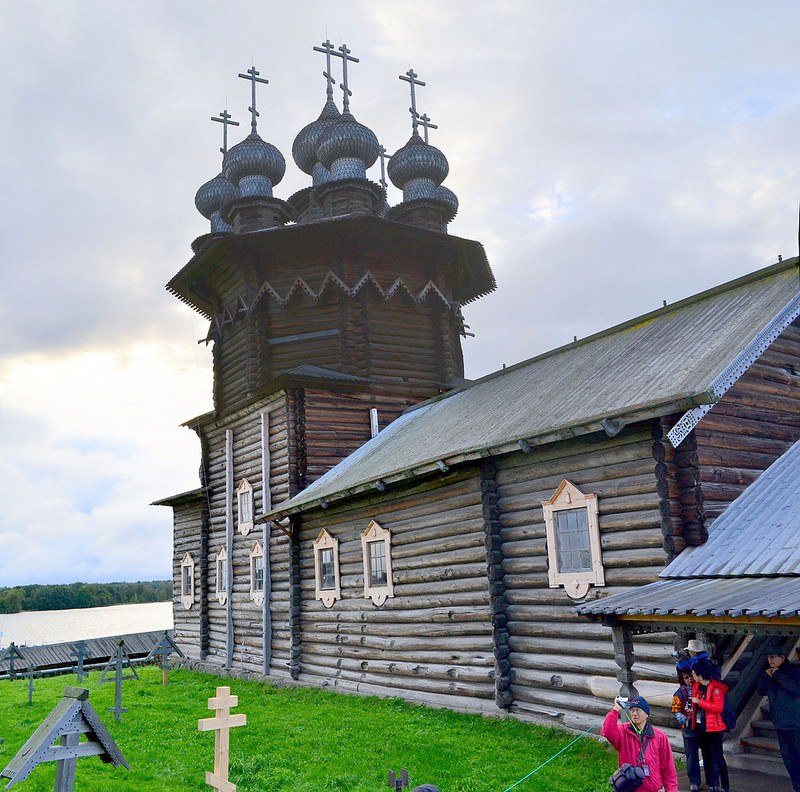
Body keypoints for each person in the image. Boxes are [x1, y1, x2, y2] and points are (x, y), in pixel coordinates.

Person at [602, 695, 678, 792]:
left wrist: (671, 789)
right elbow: (607, 732)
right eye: (632, 710)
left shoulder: (659, 736)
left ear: (647, 714)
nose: (634, 714)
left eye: (638, 710)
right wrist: (615, 710)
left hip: (651, 789)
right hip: (629, 788)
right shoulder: (623, 731)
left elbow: (668, 768)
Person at [756, 643, 800, 792]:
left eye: (773, 657)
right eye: (769, 657)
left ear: (782, 658)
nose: (771, 660)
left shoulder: (794, 671)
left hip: (796, 722)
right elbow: (761, 690)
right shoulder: (769, 673)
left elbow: (795, 689)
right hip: (780, 723)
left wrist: (778, 675)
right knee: (789, 759)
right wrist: (767, 676)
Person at [691, 658, 728, 792]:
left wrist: (699, 702)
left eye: (694, 673)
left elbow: (718, 707)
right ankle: (711, 784)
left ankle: (724, 785)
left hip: (714, 728)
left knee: (717, 757)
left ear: (701, 674)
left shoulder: (716, 688)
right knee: (706, 756)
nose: (693, 676)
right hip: (701, 727)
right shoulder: (696, 686)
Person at [672, 661, 701, 792]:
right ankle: (694, 782)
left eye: (691, 676)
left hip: (703, 728)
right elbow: (675, 711)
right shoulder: (679, 693)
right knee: (692, 757)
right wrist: (686, 721)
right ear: (682, 679)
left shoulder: (700, 689)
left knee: (707, 755)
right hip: (688, 730)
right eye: (686, 677)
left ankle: (712, 781)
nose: (690, 679)